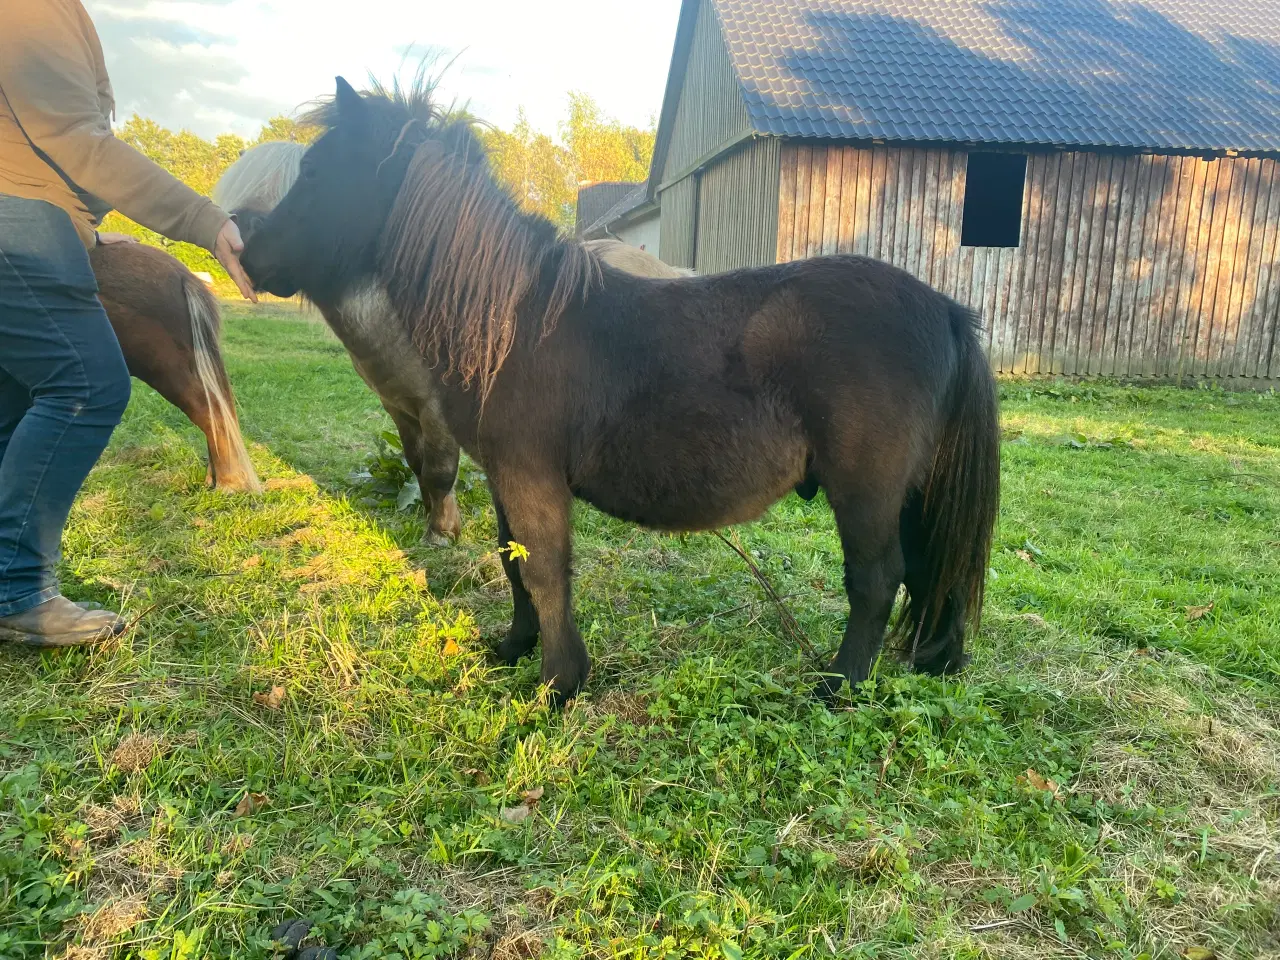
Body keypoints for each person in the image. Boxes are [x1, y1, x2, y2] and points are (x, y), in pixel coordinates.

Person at [0, 0, 256, 647]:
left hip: (33, 217)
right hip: (21, 220)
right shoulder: (29, 9)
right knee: (86, 384)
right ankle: (16, 588)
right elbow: (83, 146)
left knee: (14, 399)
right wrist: (205, 220)